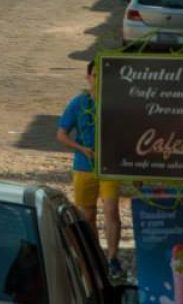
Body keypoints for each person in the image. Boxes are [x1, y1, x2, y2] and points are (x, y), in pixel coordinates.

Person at [56, 60, 122, 277]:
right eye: (94, 75)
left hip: (110, 166)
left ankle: (113, 258)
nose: (98, 79)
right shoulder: (79, 103)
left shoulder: (115, 102)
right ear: (88, 77)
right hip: (84, 167)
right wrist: (80, 149)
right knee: (87, 215)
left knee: (111, 210)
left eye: (102, 75)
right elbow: (61, 134)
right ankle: (95, 258)